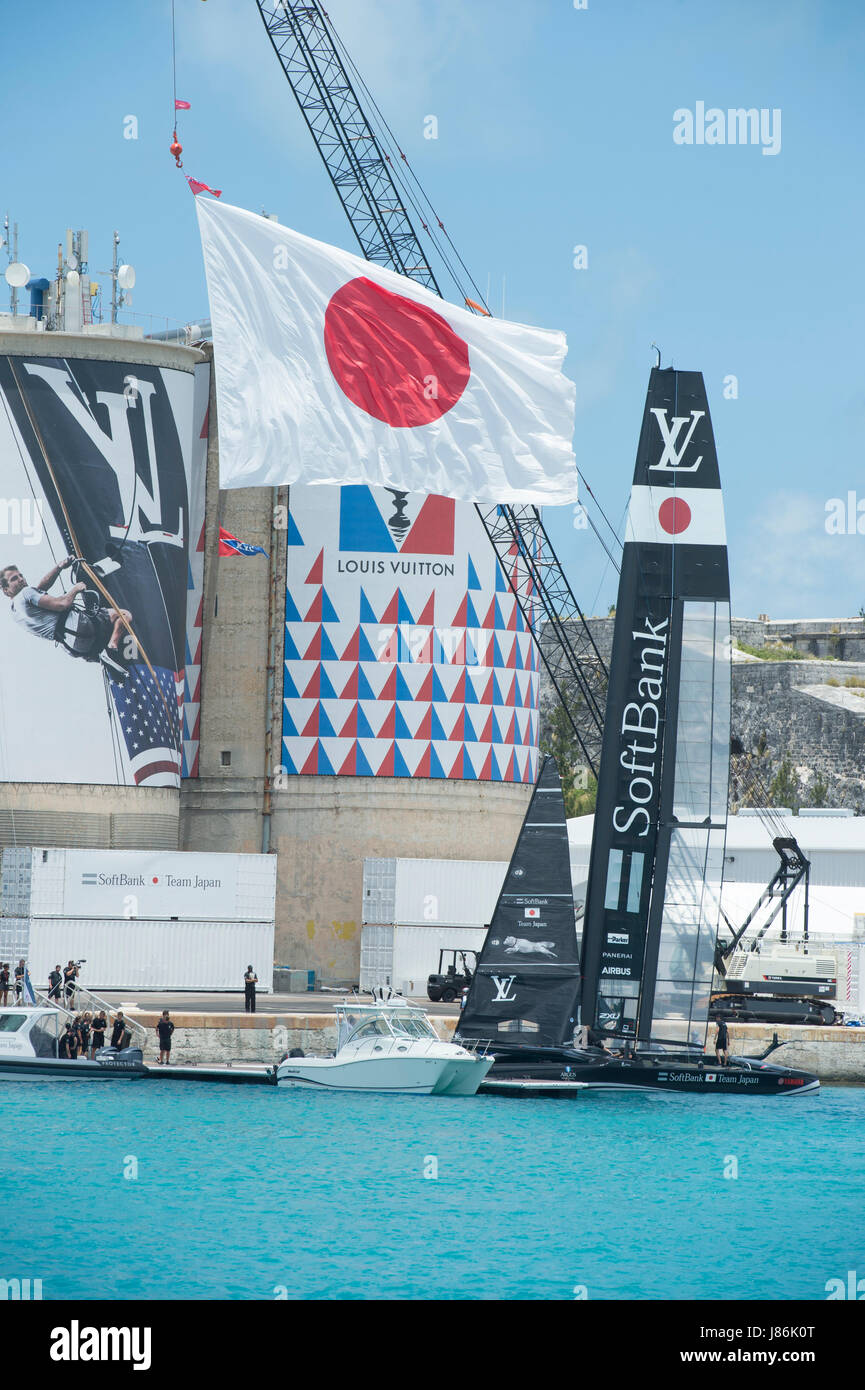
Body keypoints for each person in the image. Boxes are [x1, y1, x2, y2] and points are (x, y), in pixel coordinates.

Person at [0, 558, 134, 680]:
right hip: (80, 626)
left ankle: (107, 657)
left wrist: (59, 567)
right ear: (6, 590)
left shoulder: (15, 612)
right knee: (123, 614)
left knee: (103, 652)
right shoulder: (26, 593)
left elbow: (40, 589)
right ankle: (112, 646)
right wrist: (75, 589)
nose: (21, 579)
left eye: (20, 575)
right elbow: (61, 605)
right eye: (14, 579)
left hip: (73, 646)